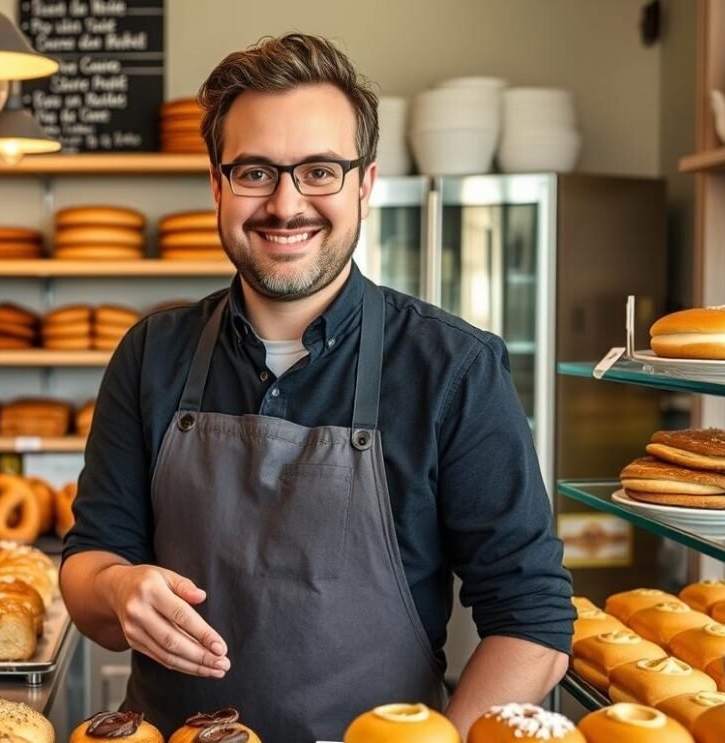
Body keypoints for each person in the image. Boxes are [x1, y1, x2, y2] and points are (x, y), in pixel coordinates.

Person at [60, 33, 574, 740]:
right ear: (217, 183)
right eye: (254, 172)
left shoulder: (454, 369)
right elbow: (89, 568)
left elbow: (532, 619)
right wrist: (116, 587)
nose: (285, 203)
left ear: (364, 183)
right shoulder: (152, 354)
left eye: (320, 171)